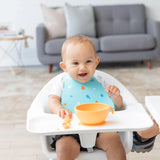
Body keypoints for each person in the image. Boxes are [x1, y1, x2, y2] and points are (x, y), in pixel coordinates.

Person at [48, 35, 126, 160]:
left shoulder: (101, 81)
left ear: (96, 62)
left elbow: (116, 106)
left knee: (114, 140)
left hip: (101, 128)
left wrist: (116, 96)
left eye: (88, 61)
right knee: (64, 147)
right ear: (64, 67)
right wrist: (58, 109)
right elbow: (52, 99)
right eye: (75, 63)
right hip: (71, 129)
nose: (82, 67)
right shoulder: (61, 81)